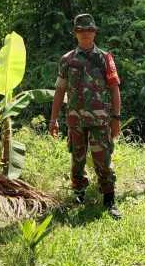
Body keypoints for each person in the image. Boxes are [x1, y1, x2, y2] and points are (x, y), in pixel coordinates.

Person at [49, 13, 122, 219]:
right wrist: (53, 120)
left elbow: (115, 89)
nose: (85, 34)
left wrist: (116, 118)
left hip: (100, 121)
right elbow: (60, 91)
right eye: (81, 31)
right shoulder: (67, 60)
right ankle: (79, 194)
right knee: (77, 159)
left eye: (89, 30)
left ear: (95, 32)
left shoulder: (105, 58)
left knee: (103, 160)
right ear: (75, 33)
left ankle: (109, 200)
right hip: (75, 120)